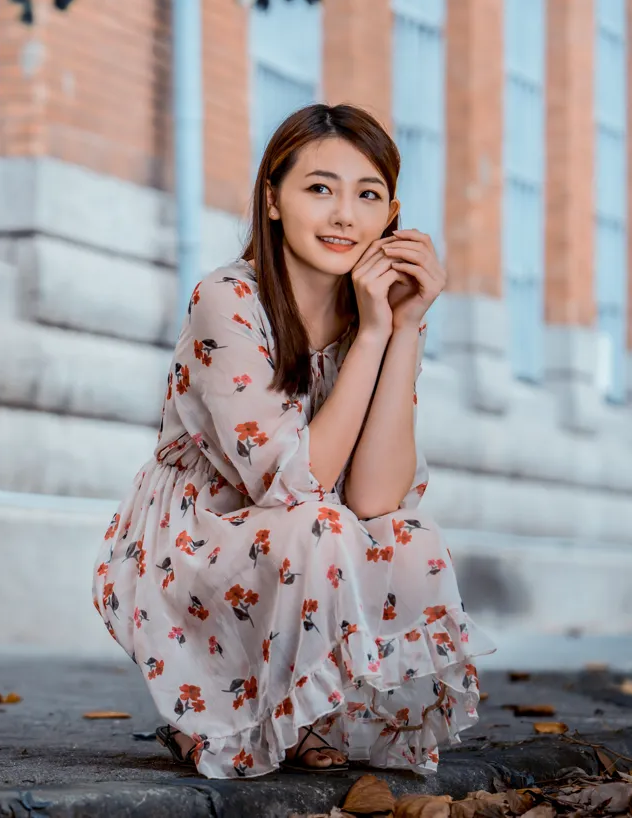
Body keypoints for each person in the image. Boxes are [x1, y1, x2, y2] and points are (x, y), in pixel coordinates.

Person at [92, 103, 495, 777]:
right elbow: (292, 482)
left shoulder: (371, 311)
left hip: (307, 531)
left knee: (411, 538)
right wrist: (371, 336)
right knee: (317, 525)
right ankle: (228, 718)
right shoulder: (227, 298)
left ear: (391, 216)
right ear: (273, 199)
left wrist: (401, 327)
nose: (344, 216)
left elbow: (374, 496)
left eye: (367, 196)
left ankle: (304, 715)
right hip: (197, 539)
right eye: (320, 189)